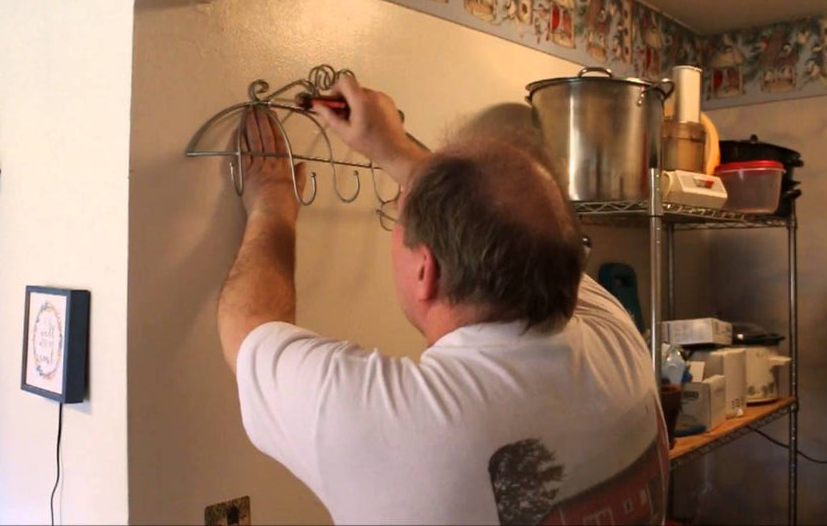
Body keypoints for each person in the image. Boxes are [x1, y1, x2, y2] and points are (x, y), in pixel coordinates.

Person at [217, 76, 669, 525]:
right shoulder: (619, 340)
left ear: (425, 271)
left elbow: (249, 327)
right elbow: (508, 221)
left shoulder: (401, 425)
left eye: (400, 219)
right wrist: (393, 150)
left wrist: (273, 203)